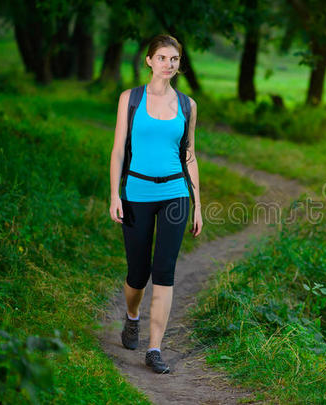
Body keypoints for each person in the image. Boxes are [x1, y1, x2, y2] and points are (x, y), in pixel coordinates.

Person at [108, 34, 202, 374]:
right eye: (162, 58)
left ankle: (154, 348)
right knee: (138, 273)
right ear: (149, 60)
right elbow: (119, 149)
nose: (168, 64)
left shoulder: (188, 105)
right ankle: (132, 317)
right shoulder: (130, 99)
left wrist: (198, 204)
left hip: (175, 195)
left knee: (164, 271)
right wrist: (114, 194)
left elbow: (189, 155)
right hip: (137, 193)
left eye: (174, 59)